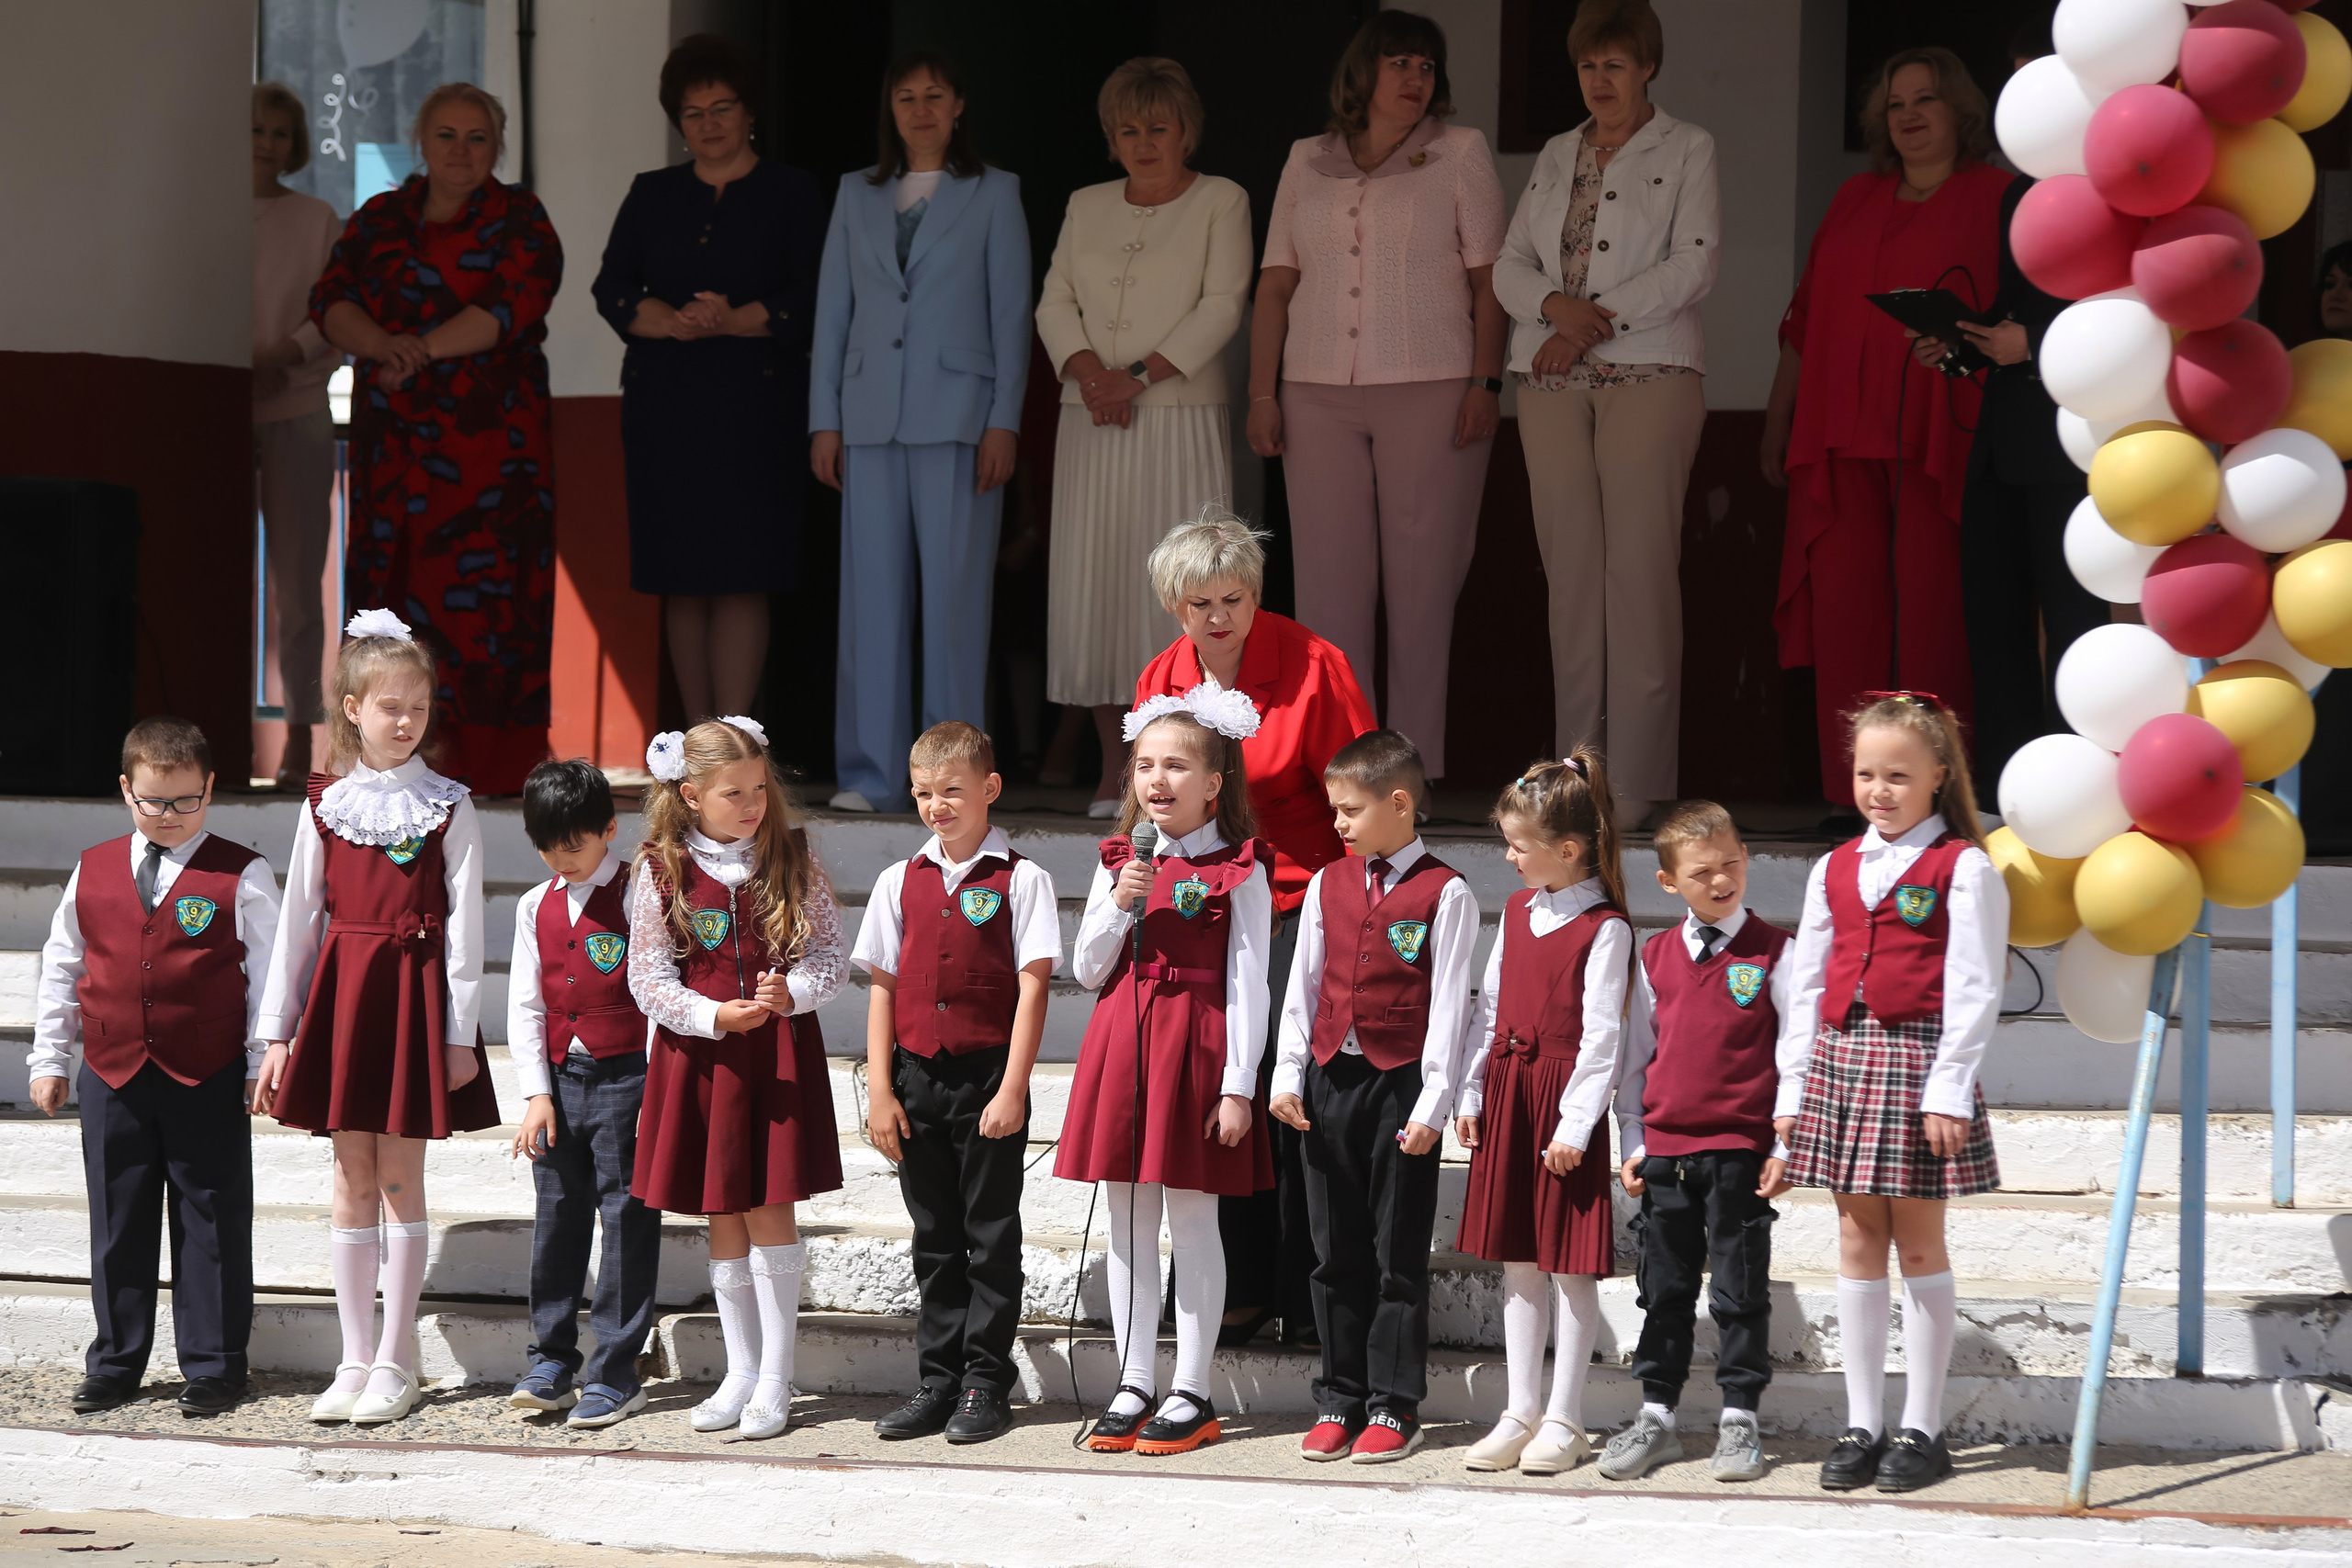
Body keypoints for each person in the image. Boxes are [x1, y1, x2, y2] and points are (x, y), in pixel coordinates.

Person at [1131, 508, 1376, 1348]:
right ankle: (1229, 1287)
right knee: (1212, 1083)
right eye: (1200, 603)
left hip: (1301, 899)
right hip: (1201, 901)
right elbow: (1154, 799)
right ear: (1175, 607)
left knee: (1283, 1083)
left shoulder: (1314, 663)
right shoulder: (1161, 676)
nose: (1219, 618)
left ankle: (1308, 1292)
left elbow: (1362, 791)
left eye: (1233, 598)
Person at [251, 610, 501, 1427]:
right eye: (389, 707)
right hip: (344, 1001)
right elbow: (297, 920)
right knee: (349, 1178)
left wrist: (460, 1034)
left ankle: (398, 1357)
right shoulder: (325, 804)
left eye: (418, 708)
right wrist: (278, 1031)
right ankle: (354, 1355)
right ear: (352, 709)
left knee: (400, 1178)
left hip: (414, 1000)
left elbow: (468, 930)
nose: (405, 721)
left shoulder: (448, 806)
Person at [1247, 8, 1508, 781]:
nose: (1415, 79)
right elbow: (1275, 284)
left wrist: (1485, 382)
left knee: (1423, 592)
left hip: (1431, 387)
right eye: (1400, 63)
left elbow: (1489, 282)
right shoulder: (1307, 159)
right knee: (1328, 594)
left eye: (1426, 67)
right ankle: (1343, 775)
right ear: (1362, 74)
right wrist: (1263, 393)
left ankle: (1411, 778)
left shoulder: (1460, 153)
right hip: (1315, 388)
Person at [1762, 50, 2010, 810]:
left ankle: (1938, 798)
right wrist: (1778, 426)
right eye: (1895, 102)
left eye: (1926, 99)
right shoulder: (1853, 198)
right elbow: (1803, 326)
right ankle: (1855, 798)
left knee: (1937, 622)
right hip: (1839, 440)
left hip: (1944, 443)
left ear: (1959, 111)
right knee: (1846, 625)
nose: (1908, 114)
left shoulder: (1995, 195)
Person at [1491, 0, 1717, 826]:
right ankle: (1577, 780)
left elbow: (1694, 262)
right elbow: (1510, 265)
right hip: (1550, 377)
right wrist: (1555, 307)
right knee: (1572, 581)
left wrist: (1591, 321)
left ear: (1648, 67)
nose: (1601, 81)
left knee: (1641, 575)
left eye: (1616, 65)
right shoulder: (1557, 152)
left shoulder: (1688, 145)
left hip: (1649, 371)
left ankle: (1644, 781)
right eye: (1589, 66)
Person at [1778, 694, 2008, 1494]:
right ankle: (1862, 1421)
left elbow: (1976, 984)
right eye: (1866, 772)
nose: (1880, 789)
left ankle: (1923, 1424)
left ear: (1939, 776)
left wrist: (1949, 1085)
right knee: (1854, 1238)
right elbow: (1806, 980)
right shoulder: (1833, 865)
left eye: (1899, 775)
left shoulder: (1964, 867)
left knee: (1917, 1244)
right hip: (1843, 1058)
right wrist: (1794, 1084)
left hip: (1916, 1061)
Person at [313, 83, 564, 796]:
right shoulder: (380, 219)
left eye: (478, 137)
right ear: (421, 142)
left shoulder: (521, 218)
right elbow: (330, 300)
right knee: (391, 608)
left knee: (495, 614)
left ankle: (491, 766)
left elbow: (515, 304)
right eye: (447, 135)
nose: (461, 150)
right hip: (394, 456)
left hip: (495, 462)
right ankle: (379, 760)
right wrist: (385, 345)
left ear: (498, 146)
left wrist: (413, 349)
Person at [29, 717, 280, 1418]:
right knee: (118, 1220)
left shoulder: (242, 871)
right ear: (125, 790)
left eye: (186, 801)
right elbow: (62, 965)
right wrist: (50, 1055)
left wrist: (261, 1059)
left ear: (209, 790)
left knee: (211, 1218)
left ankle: (216, 1365)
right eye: (152, 802)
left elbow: (270, 975)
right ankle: (115, 1361)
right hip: (112, 1071)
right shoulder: (93, 866)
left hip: (206, 1070)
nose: (169, 817)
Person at [811, 51, 1031, 812]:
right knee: (869, 606)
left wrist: (1005, 418)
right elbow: (831, 315)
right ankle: (869, 771)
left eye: (935, 94)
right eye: (905, 96)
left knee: (955, 608)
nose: (921, 108)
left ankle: (956, 780)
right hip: (869, 416)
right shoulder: (855, 193)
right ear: (890, 109)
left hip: (961, 418)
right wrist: (824, 418)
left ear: (960, 103)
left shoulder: (996, 193)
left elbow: (1010, 314)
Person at [1056, 691, 1273, 1456]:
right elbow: (1085, 969)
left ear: (1214, 781)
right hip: (1126, 1039)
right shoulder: (1121, 857)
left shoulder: (1239, 867)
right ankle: (1134, 1377)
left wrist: (1239, 1083)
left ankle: (1192, 1386)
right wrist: (1119, 901)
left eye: (1176, 764)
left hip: (1197, 1045)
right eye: (1145, 764)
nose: (1157, 778)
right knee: (1128, 1218)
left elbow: (1251, 980)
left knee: (1192, 1216)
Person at [1035, 58, 1251, 814]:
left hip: (1174, 414)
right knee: (1092, 587)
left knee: (1173, 590)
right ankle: (1113, 765)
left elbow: (1223, 304)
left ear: (1187, 129)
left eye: (1158, 127)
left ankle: (1176, 761)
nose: (1144, 140)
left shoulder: (1222, 199)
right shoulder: (1086, 203)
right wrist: (1093, 373)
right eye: (1128, 128)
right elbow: (1055, 298)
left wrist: (1135, 375)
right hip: (1090, 416)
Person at [592, 36, 826, 723]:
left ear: (748, 111)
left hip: (755, 407)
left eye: (722, 107)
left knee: (743, 575)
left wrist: (737, 317)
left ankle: (735, 733)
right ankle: (696, 737)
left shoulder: (792, 191)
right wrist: (659, 317)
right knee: (681, 579)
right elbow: (610, 284)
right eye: (693, 113)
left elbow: (815, 293)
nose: (709, 123)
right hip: (666, 406)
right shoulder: (651, 193)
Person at [627, 717, 846, 1441]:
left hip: (776, 1058)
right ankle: (741, 1372)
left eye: (758, 788)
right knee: (723, 1213)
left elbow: (831, 957)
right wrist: (712, 1012)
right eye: (732, 792)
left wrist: (797, 991)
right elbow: (648, 978)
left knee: (769, 1208)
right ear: (690, 795)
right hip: (705, 1055)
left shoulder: (794, 856)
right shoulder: (659, 866)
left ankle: (778, 1377)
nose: (751, 802)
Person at [1270, 729, 1476, 1464]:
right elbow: (1302, 984)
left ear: (1399, 802)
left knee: (1396, 1255)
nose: (1339, 824)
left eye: (1350, 810)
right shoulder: (1329, 881)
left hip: (1401, 1086)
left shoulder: (1446, 891)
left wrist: (1434, 1104)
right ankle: (1339, 1395)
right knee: (1335, 1253)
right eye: (1334, 810)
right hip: (1330, 1080)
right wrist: (1289, 1072)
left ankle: (1394, 1404)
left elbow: (1452, 1005)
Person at [1909, 27, 2105, 800]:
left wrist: (2040, 341)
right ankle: (2004, 790)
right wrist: (1961, 344)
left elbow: (2129, 313)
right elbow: (2015, 310)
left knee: (2075, 621)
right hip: (2000, 438)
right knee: (1992, 620)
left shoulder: (2114, 181)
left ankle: (2080, 786)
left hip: (2076, 439)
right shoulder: (2019, 191)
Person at [853, 721, 1060, 1444]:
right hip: (915, 1080)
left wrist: (1012, 1088)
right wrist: (881, 1090)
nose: (935, 805)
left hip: (987, 1081)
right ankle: (937, 1380)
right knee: (933, 1237)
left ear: (989, 789)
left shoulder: (1022, 878)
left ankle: (983, 1381)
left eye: (951, 791)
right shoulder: (896, 880)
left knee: (990, 1236)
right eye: (922, 793)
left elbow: (1033, 990)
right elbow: (882, 986)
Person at [1598, 800, 1793, 1485]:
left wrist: (1785, 1144)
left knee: (1741, 1291)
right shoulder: (1655, 957)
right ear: (1669, 882)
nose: (1721, 880)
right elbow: (1636, 1060)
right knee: (1665, 1289)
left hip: (1740, 1150)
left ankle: (1740, 1419)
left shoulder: (1775, 952)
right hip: (1668, 1154)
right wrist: (1633, 1138)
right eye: (1703, 871)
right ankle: (1657, 1415)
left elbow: (1796, 1052)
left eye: (1732, 864)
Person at [1451, 749, 1629, 1477]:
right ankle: (1520, 1408)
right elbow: (1489, 1007)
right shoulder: (1518, 911)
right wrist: (1470, 1091)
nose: (1510, 857)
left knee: (1567, 1268)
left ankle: (1566, 1416)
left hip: (1559, 1110)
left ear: (1569, 849)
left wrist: (1575, 1126)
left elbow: (1603, 1039)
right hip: (1510, 1094)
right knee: (1519, 1261)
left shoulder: (1605, 928)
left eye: (1519, 846)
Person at [505, 760, 660, 1430]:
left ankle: (618, 1370)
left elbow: (655, 992)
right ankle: (552, 1359)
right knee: (558, 1214)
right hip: (560, 1084)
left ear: (608, 829)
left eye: (575, 842)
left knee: (627, 1218)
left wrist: (655, 1080)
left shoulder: (636, 893)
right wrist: (536, 1092)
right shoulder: (532, 905)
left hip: (628, 1074)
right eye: (547, 845)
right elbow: (524, 1005)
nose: (561, 858)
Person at [251, 83, 345, 791]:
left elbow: (335, 312)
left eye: (280, 132)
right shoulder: (200, 214)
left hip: (301, 409)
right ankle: (210, 724)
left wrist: (283, 355)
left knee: (298, 587)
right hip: (212, 414)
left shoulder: (318, 219)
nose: (266, 143)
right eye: (254, 130)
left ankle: (299, 736)